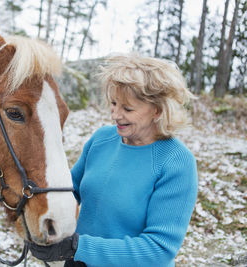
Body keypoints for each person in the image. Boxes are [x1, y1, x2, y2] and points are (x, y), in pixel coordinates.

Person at [28, 53, 198, 267]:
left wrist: (79, 247)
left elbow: (159, 248)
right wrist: (36, 210)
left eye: (127, 109)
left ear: (157, 110)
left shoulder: (177, 162)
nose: (115, 115)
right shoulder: (102, 139)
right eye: (114, 103)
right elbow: (71, 191)